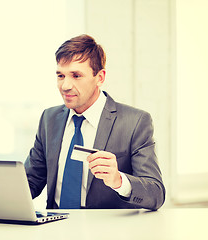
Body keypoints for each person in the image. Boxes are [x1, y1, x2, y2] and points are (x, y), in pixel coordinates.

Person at [24, 34, 165, 210]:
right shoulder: (49, 119)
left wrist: (119, 180)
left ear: (100, 77)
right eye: (60, 75)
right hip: (55, 228)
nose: (65, 86)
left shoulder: (135, 122)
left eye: (76, 75)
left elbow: (156, 194)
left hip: (107, 231)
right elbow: (30, 181)